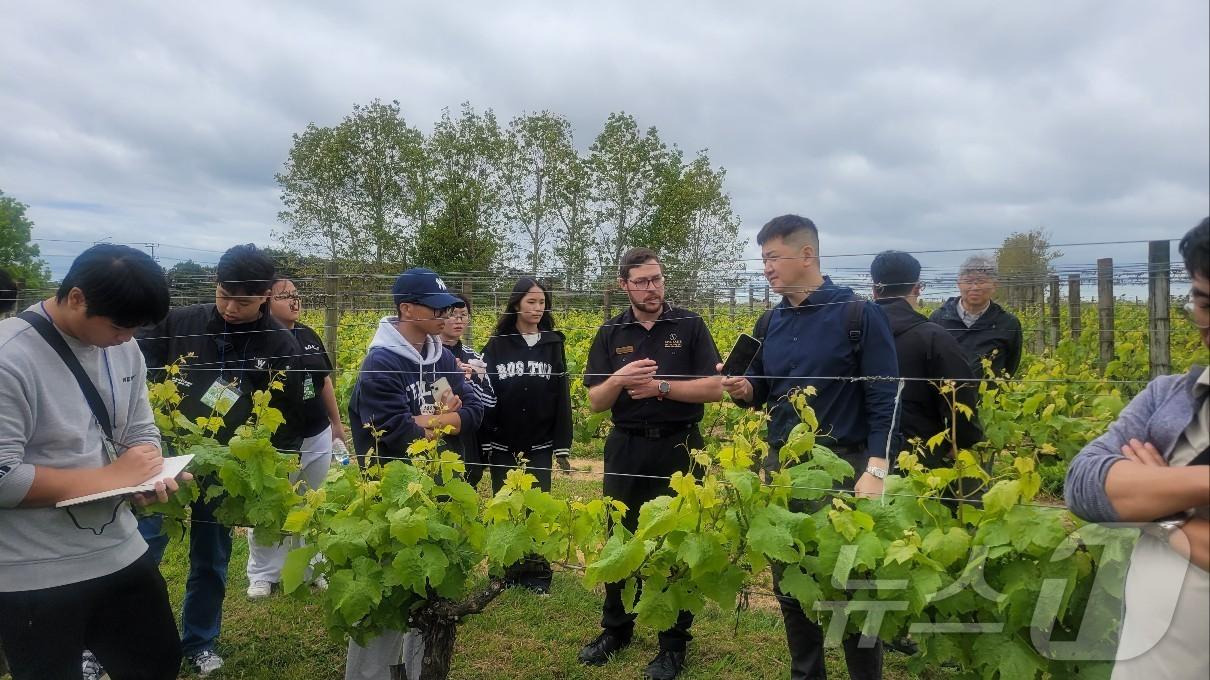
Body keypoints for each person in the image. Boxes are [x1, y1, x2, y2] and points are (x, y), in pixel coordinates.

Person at [721, 214, 899, 680]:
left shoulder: (858, 314)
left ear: (807, 255)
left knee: (853, 584)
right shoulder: (770, 320)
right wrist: (745, 390)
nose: (766, 269)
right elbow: (762, 386)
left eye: (773, 258)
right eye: (762, 260)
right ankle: (807, 674)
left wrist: (876, 469)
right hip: (782, 468)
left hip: (846, 466)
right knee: (791, 581)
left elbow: (886, 397)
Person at [0, 244, 186, 680]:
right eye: (120, 325)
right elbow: (3, 477)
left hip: (119, 549)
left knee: (156, 663)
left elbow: (140, 429)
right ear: (77, 298)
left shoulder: (125, 348)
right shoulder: (10, 357)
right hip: (34, 570)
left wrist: (148, 472)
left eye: (135, 327)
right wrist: (109, 478)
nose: (126, 337)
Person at [137, 243, 306, 676]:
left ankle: (199, 641)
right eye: (223, 295)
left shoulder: (281, 344)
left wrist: (265, 473)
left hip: (226, 468)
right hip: (163, 456)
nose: (230, 307)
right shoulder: (178, 323)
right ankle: (110, 641)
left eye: (243, 301)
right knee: (141, 548)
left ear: (267, 296)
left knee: (211, 556)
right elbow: (138, 380)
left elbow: (287, 418)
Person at [1065, 217, 1209, 679]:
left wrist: (1155, 496)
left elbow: (1120, 493)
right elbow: (1085, 484)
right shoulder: (1171, 396)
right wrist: (1182, 511)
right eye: (1205, 303)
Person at [578, 247, 723, 680]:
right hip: (626, 446)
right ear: (623, 285)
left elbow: (716, 388)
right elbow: (594, 402)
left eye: (657, 279)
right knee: (619, 537)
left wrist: (661, 387)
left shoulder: (690, 325)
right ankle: (617, 628)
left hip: (680, 447)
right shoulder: (610, 332)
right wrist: (621, 379)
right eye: (641, 281)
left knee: (677, 539)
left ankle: (673, 643)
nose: (652, 288)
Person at [345, 268, 485, 680]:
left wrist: (430, 420)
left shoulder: (440, 354)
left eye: (449, 306)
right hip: (391, 494)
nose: (448, 313)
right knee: (387, 592)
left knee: (427, 586)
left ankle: (416, 670)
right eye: (436, 307)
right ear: (406, 309)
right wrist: (445, 418)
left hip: (435, 490)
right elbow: (395, 433)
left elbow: (475, 411)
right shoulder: (381, 363)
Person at [244, 276, 345, 599]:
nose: (295, 301)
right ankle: (263, 573)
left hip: (315, 433)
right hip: (275, 439)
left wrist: (336, 424)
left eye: (296, 295)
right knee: (269, 507)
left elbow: (323, 382)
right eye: (285, 296)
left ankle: (312, 566)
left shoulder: (308, 336)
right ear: (265, 302)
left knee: (311, 502)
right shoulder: (254, 341)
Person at [480, 277, 573, 594]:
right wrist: (484, 437)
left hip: (540, 440)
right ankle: (504, 569)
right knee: (503, 504)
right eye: (531, 301)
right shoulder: (497, 344)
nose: (537, 308)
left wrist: (562, 444)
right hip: (503, 438)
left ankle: (537, 574)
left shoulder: (553, 343)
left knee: (537, 507)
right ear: (517, 303)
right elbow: (484, 391)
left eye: (542, 302)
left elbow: (562, 394)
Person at [870, 250, 983, 465]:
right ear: (917, 288)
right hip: (922, 457)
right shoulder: (934, 338)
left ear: (874, 290)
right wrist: (962, 442)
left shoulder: (850, 334)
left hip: (862, 457)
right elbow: (960, 396)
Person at [929, 254, 1023, 377]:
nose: (975, 287)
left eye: (981, 281)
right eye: (968, 281)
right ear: (958, 284)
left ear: (995, 285)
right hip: (945, 394)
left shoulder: (1008, 323)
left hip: (988, 395)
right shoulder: (938, 319)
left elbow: (1010, 366)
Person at [438, 293, 496, 489]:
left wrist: (471, 383)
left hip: (468, 437)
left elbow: (490, 402)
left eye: (464, 315)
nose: (459, 320)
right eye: (453, 314)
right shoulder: (429, 354)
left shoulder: (474, 357)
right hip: (436, 434)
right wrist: (453, 380)